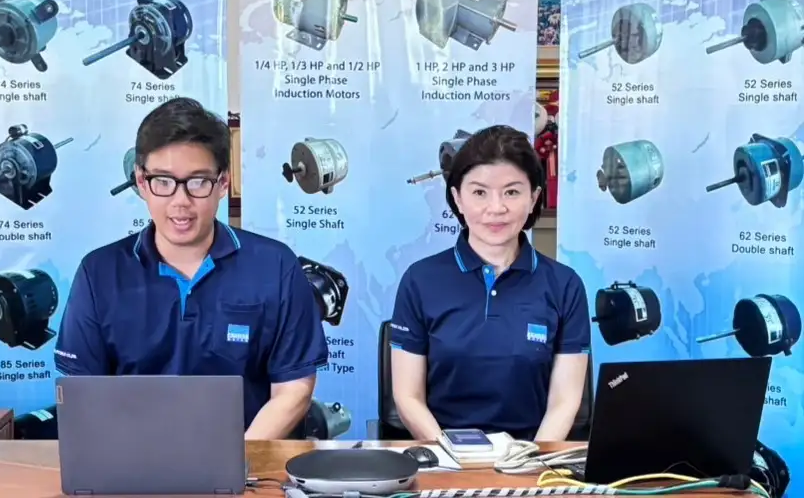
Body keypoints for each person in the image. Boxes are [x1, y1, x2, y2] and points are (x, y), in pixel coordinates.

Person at [55, 97, 328, 440]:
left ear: (223, 182)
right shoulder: (99, 273)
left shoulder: (276, 267)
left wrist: (233, 460)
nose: (180, 201)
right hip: (133, 462)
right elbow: (84, 395)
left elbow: (293, 390)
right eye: (163, 181)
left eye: (198, 182)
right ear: (141, 182)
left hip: (249, 462)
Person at [390, 125, 590, 441]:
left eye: (512, 192)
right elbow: (407, 397)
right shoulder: (420, 280)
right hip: (444, 454)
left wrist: (529, 461)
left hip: (532, 457)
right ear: (457, 199)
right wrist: (454, 455)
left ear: (534, 197)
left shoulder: (565, 286)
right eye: (479, 192)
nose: (496, 208)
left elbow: (564, 403)